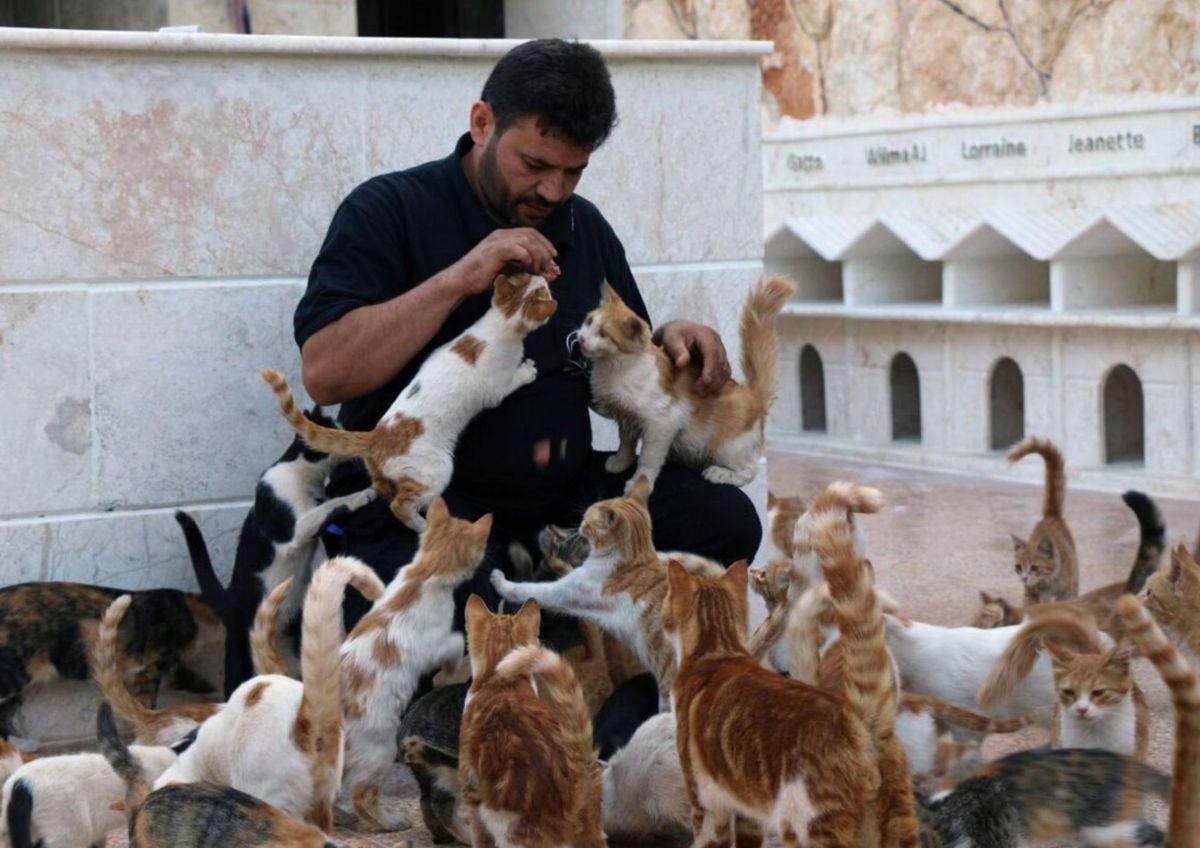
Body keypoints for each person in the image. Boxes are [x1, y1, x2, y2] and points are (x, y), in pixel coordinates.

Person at [293, 38, 761, 634]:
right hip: (428, 502)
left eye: (574, 171)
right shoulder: (390, 208)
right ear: (482, 123)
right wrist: (462, 276)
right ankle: (543, 638)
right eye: (536, 166)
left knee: (723, 520)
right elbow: (325, 372)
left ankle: (611, 654)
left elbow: (632, 353)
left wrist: (673, 337)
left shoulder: (581, 225)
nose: (554, 192)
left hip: (565, 500)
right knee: (441, 611)